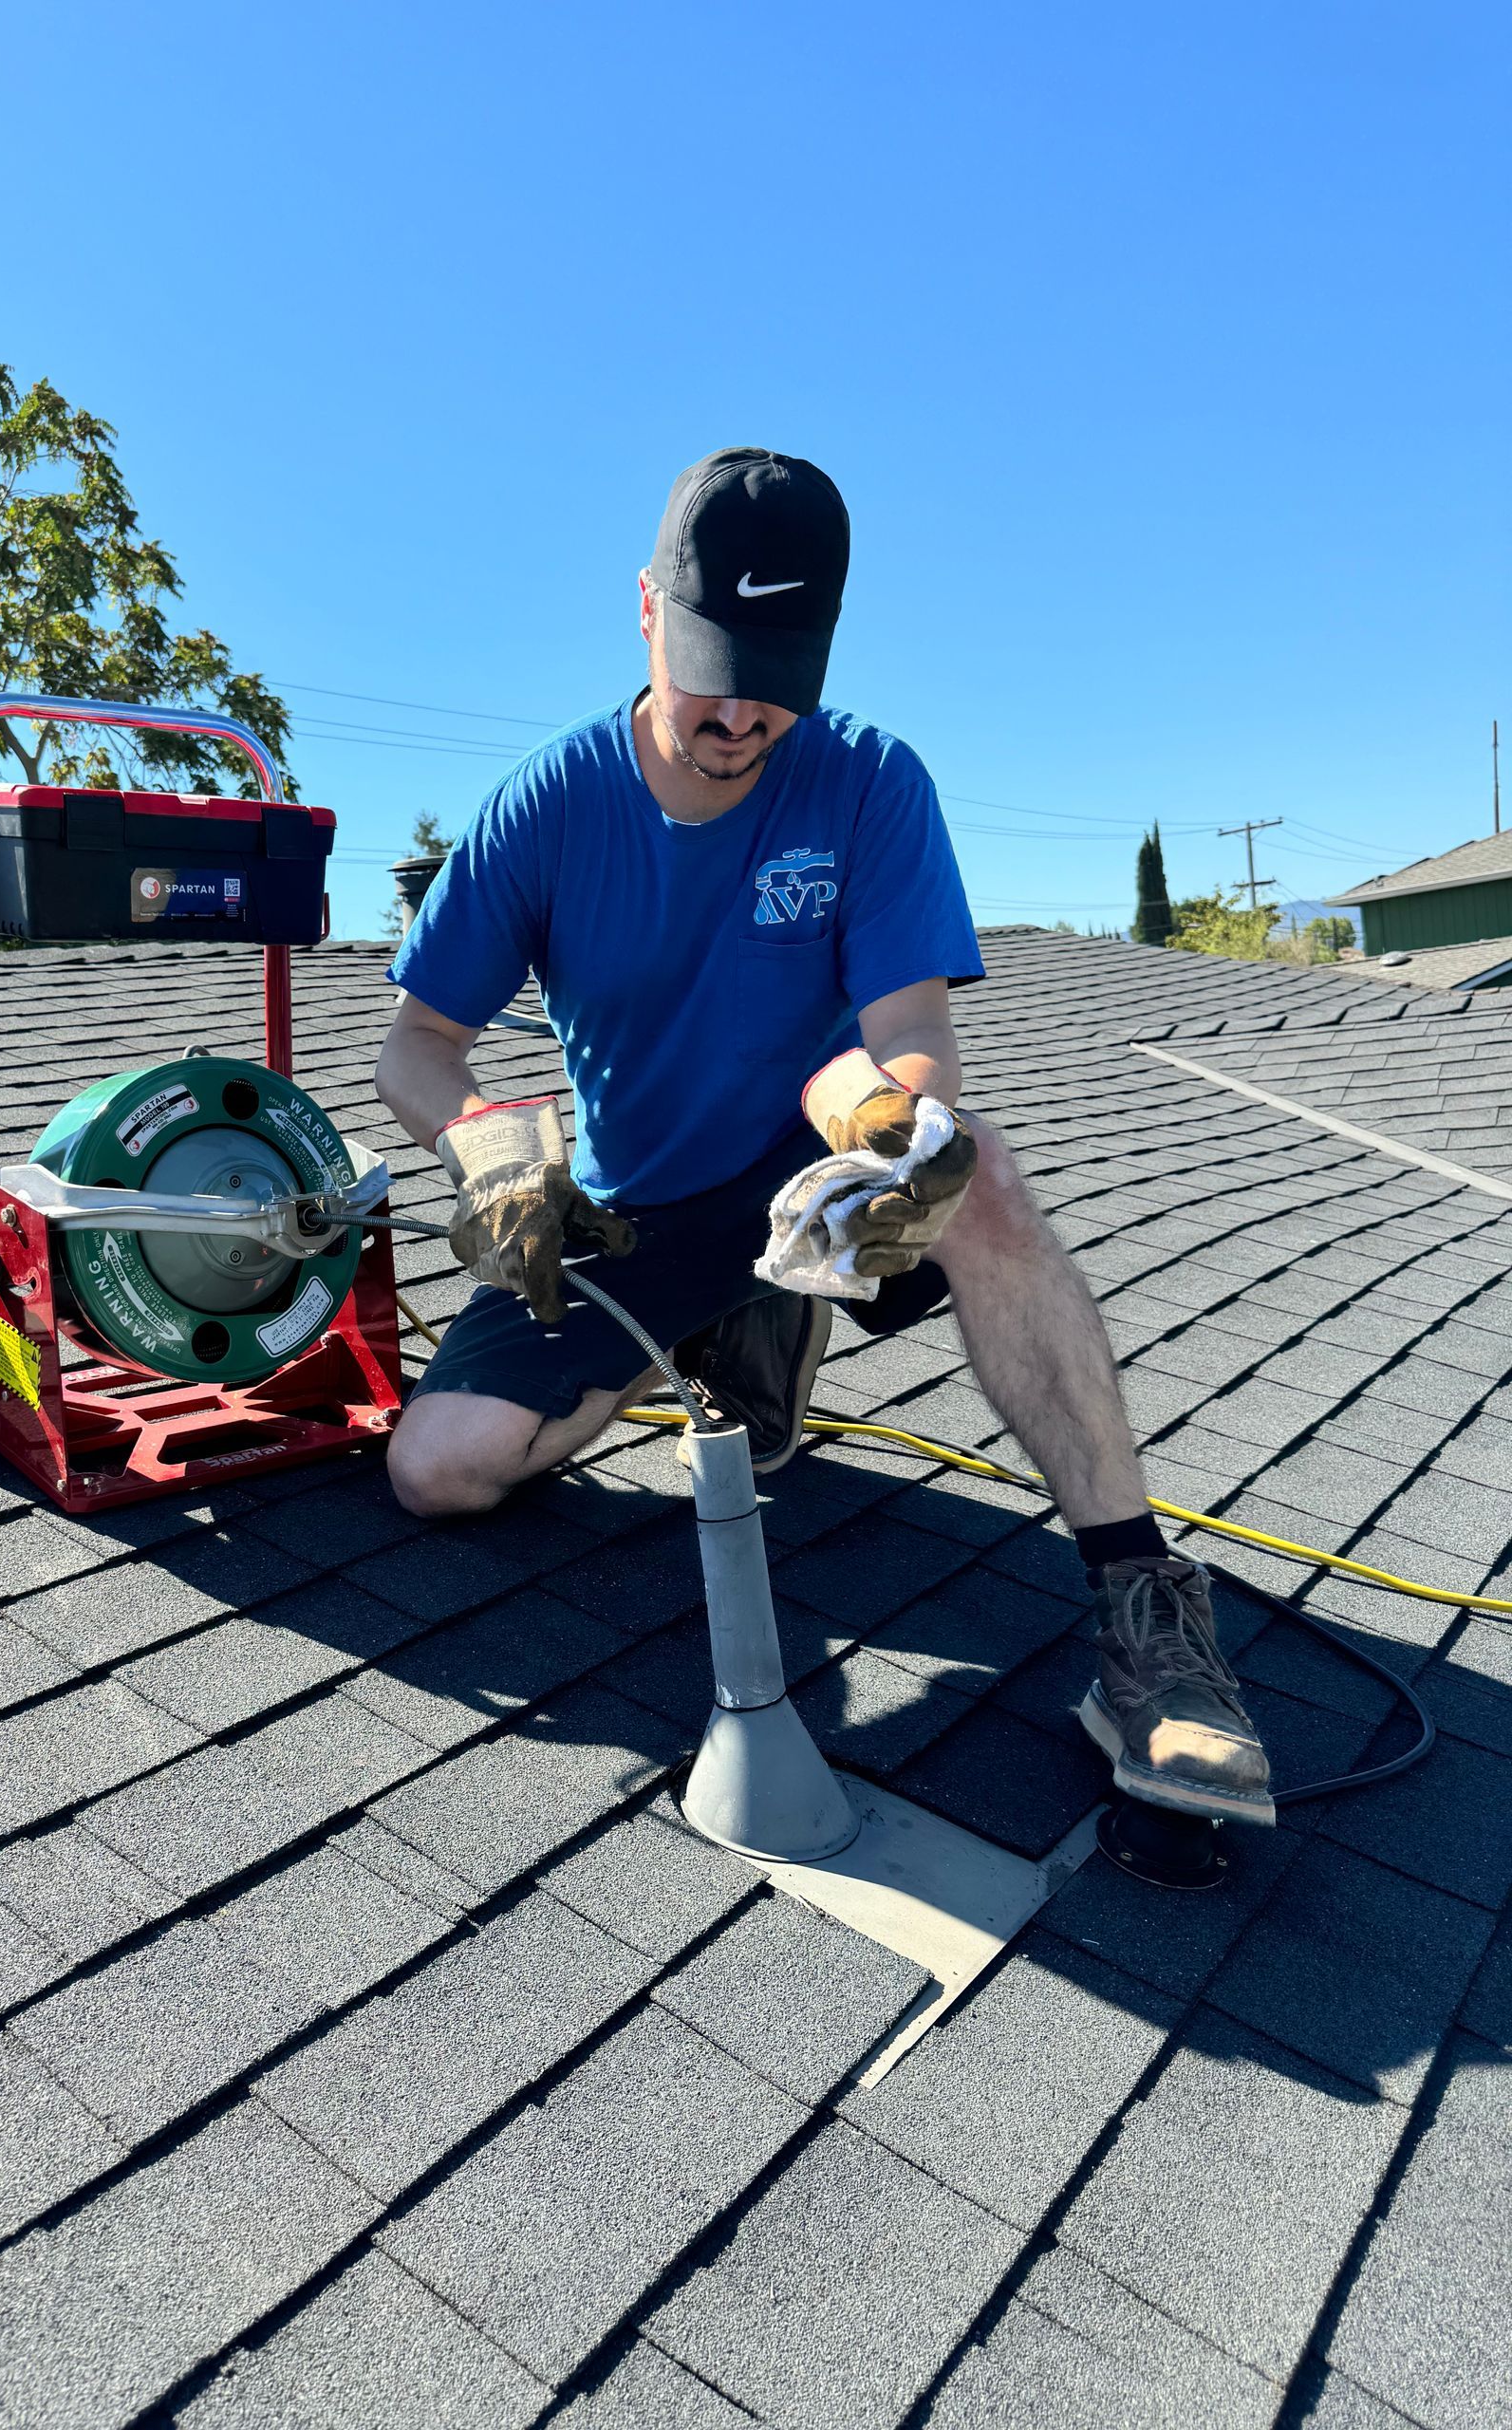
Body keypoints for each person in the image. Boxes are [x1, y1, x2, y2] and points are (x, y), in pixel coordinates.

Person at [374, 446, 1273, 1826]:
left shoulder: (869, 783)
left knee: (987, 1186)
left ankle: (1146, 1614)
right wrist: (487, 1137)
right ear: (643, 613)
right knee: (438, 1473)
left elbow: (910, 1035)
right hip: (635, 1207)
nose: (739, 714)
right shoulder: (544, 809)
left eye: (776, 677)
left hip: (813, 1183)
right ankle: (728, 1329)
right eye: (709, 666)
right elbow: (414, 1047)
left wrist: (898, 1132)